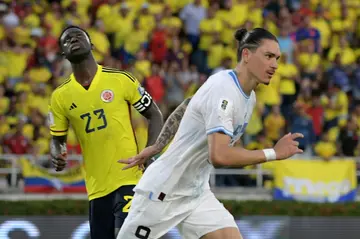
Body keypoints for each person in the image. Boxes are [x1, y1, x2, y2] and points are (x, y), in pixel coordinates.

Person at [117, 28, 304, 239]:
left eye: (277, 58)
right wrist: (273, 153)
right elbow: (220, 156)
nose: (275, 65)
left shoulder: (248, 97)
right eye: (268, 56)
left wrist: (158, 145)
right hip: (165, 191)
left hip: (195, 192)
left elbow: (189, 105)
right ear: (246, 54)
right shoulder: (224, 89)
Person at [48, 26, 164, 239]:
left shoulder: (120, 79)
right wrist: (57, 152)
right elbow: (57, 139)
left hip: (129, 177)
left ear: (91, 45)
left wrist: (151, 152)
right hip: (96, 187)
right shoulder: (60, 97)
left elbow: (155, 114)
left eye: (78, 36)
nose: (73, 39)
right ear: (63, 53)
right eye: (66, 40)